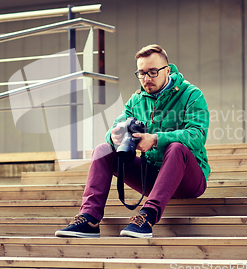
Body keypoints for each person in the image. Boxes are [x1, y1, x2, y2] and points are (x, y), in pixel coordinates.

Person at [55, 44, 210, 238]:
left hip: (189, 180)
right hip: (152, 176)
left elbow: (197, 135)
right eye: (141, 73)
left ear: (167, 70)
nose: (146, 79)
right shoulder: (136, 100)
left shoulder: (191, 95)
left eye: (153, 72)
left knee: (176, 148)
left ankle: (146, 216)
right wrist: (114, 136)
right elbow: (114, 129)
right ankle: (89, 219)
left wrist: (155, 139)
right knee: (103, 149)